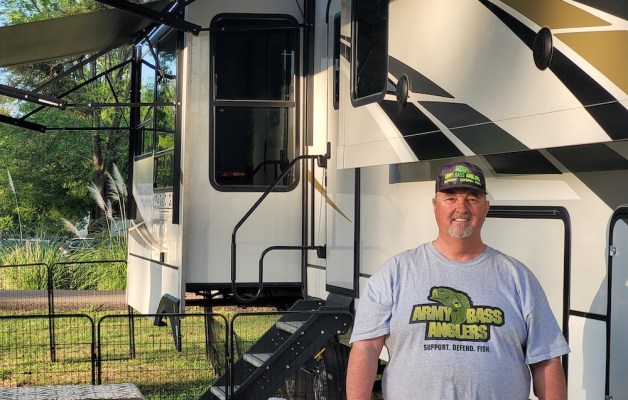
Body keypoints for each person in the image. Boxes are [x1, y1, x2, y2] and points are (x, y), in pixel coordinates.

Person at [346, 161, 569, 400]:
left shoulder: (518, 278)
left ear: (486, 207)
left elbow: (546, 359)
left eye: (472, 198)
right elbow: (366, 348)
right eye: (450, 198)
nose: (461, 208)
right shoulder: (395, 272)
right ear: (435, 205)